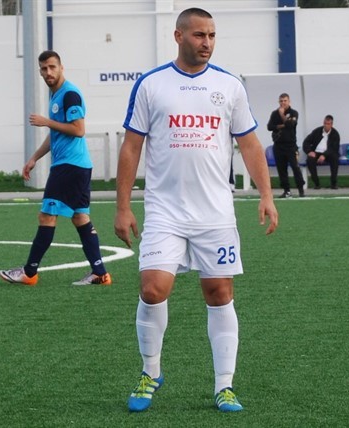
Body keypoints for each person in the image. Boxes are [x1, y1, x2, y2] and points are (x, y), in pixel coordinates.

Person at [114, 8, 278, 414]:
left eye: (212, 36)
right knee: (153, 288)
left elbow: (250, 144)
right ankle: (151, 372)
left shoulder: (229, 86)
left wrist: (266, 195)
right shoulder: (151, 84)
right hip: (164, 211)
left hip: (215, 213)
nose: (207, 43)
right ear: (179, 36)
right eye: (199, 35)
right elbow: (132, 146)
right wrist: (123, 206)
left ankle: (225, 386)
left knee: (219, 293)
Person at [0, 50, 111, 286]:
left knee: (47, 216)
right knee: (80, 217)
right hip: (77, 167)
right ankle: (100, 273)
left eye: (52, 67)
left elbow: (78, 129)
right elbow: (56, 133)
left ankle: (29, 272)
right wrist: (34, 158)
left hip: (69, 166)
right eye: (44, 68)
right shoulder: (56, 95)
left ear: (61, 68)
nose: (48, 72)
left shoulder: (69, 94)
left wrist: (46, 121)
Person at [267, 93, 306, 198]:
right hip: (278, 145)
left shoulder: (294, 113)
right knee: (281, 169)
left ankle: (301, 190)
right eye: (281, 101)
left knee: (295, 167)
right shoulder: (274, 113)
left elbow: (290, 125)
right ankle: (286, 191)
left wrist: (282, 115)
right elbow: (269, 127)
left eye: (285, 101)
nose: (283, 103)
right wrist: (281, 125)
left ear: (289, 101)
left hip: (291, 146)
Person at [302, 114, 341, 189]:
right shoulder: (317, 131)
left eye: (328, 124)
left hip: (329, 153)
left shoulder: (335, 134)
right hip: (316, 152)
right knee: (310, 160)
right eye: (325, 123)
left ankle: (333, 183)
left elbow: (334, 148)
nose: (326, 125)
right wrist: (309, 151)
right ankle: (316, 183)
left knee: (335, 159)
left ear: (331, 124)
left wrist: (324, 155)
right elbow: (306, 142)